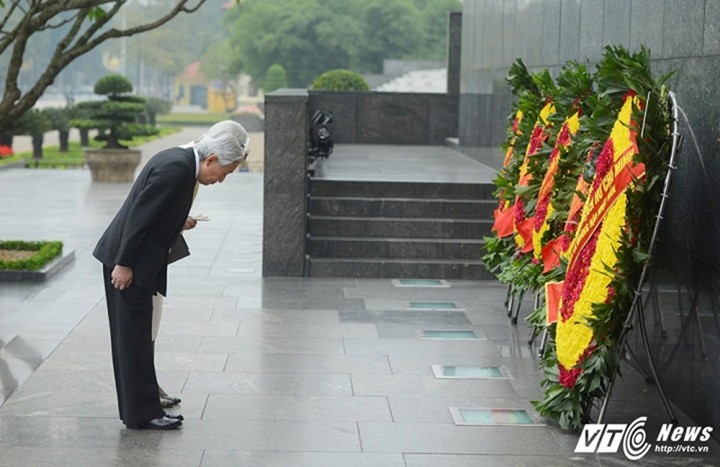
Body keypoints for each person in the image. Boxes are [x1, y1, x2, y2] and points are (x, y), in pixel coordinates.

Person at [93, 121, 249, 430]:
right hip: (129, 262)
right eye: (224, 173)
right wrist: (123, 264)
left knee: (135, 338)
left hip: (135, 259)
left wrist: (180, 219)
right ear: (212, 160)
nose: (220, 180)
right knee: (133, 340)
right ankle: (144, 415)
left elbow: (154, 209)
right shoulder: (177, 168)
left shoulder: (179, 159)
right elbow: (138, 216)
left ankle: (142, 410)